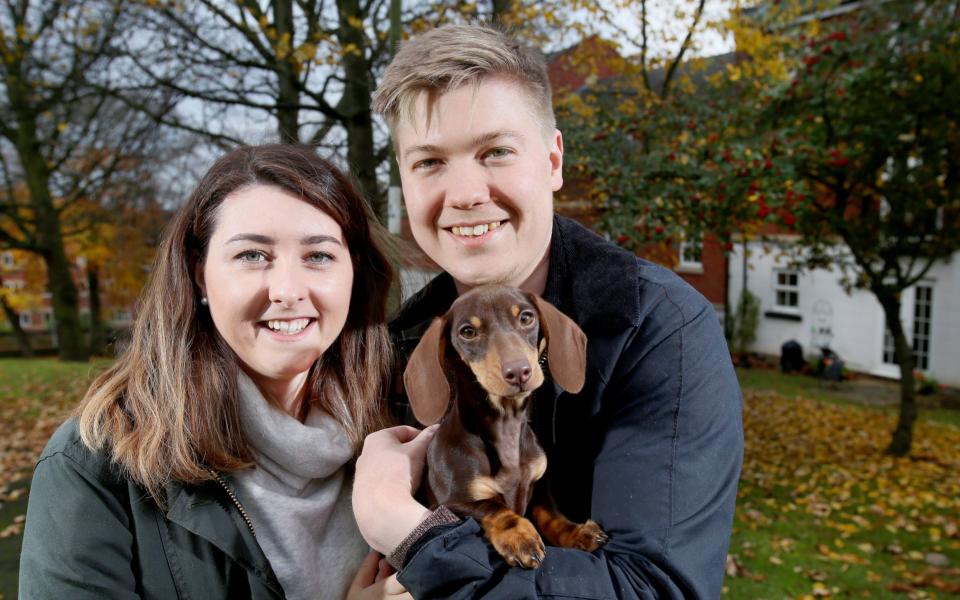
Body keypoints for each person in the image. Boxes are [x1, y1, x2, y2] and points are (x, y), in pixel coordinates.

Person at [351, 24, 744, 598]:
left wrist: (416, 538)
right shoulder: (400, 343)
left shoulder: (659, 329)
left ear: (553, 160)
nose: (464, 193)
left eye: (497, 151)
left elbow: (653, 589)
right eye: (430, 162)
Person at [20, 144, 411, 600]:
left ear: (354, 272)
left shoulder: (405, 428)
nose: (287, 290)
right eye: (252, 255)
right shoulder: (96, 463)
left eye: (318, 256)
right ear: (199, 272)